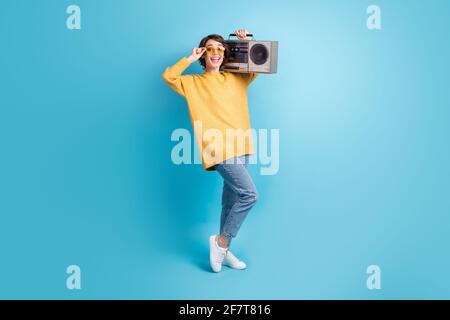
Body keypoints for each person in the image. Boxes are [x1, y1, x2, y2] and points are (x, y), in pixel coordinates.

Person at [162, 29, 259, 273]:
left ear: (225, 52)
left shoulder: (237, 77)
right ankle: (221, 241)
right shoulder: (192, 83)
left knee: (231, 200)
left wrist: (244, 43)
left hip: (242, 144)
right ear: (204, 55)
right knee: (249, 195)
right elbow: (169, 76)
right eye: (210, 49)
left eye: (219, 48)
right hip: (218, 147)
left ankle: (224, 252)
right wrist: (189, 59)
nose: (215, 52)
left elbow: (257, 64)